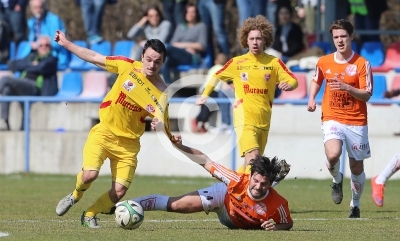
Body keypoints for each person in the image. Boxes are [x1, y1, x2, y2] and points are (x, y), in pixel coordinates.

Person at [53, 30, 174, 228]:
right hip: (104, 133)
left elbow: (163, 123)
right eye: (149, 59)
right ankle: (75, 195)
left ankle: (90, 214)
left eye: (157, 61)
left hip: (128, 144)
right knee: (89, 175)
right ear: (142, 56)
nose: (152, 65)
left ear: (163, 62)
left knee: (119, 191)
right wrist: (66, 44)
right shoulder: (126, 66)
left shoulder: (162, 92)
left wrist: (160, 126)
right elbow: (94, 57)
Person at [118, 123, 293, 231]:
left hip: (235, 221)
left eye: (264, 184)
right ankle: (129, 205)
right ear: (251, 175)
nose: (257, 186)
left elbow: (288, 224)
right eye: (255, 181)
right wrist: (180, 146)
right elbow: (205, 161)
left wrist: (276, 227)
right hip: (223, 199)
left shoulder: (278, 204)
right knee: (176, 205)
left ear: (270, 185)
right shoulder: (236, 180)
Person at [196, 15, 298, 177]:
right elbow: (217, 75)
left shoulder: (274, 63)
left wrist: (289, 85)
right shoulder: (237, 62)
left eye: (259, 38)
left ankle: (235, 190)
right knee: (255, 159)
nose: (255, 42)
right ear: (246, 40)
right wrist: (205, 95)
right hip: (244, 119)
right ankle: (251, 195)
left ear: (265, 40)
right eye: (252, 39)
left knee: (249, 163)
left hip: (263, 119)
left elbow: (293, 80)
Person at [307, 19, 373, 218]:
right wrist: (311, 98)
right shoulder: (324, 61)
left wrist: (348, 88)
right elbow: (316, 80)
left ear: (351, 36)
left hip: (356, 120)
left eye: (343, 36)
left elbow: (367, 94)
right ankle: (336, 180)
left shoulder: (362, 64)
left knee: (356, 167)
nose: (340, 40)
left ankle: (355, 204)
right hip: (332, 117)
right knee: (333, 154)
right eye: (336, 37)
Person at [0, 35, 58, 131]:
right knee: (6, 90)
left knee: (5, 79)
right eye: (41, 45)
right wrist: (32, 65)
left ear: (50, 47)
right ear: (37, 47)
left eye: (46, 45)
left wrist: (29, 66)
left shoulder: (52, 59)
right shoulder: (32, 56)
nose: (44, 47)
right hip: (23, 84)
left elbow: (43, 68)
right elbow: (14, 64)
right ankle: (4, 121)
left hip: (35, 87)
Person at [160, 3, 207, 84]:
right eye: (188, 12)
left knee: (165, 47)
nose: (190, 14)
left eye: (193, 12)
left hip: (192, 56)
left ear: (197, 13)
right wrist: (185, 47)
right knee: (163, 63)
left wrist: (182, 45)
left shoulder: (201, 26)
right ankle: (168, 88)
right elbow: (173, 44)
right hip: (177, 55)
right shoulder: (180, 27)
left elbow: (202, 45)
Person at [191, 53, 229, 133]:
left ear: (216, 61)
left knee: (204, 107)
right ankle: (197, 119)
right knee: (209, 108)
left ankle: (202, 125)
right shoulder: (223, 69)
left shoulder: (212, 68)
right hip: (214, 89)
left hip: (205, 88)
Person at [27, 0, 69, 69]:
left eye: (40, 7)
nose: (38, 10)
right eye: (35, 8)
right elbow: (30, 41)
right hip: (37, 56)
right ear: (31, 9)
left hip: (54, 56)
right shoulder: (31, 22)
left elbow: (59, 42)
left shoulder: (54, 20)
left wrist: (38, 44)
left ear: (44, 7)